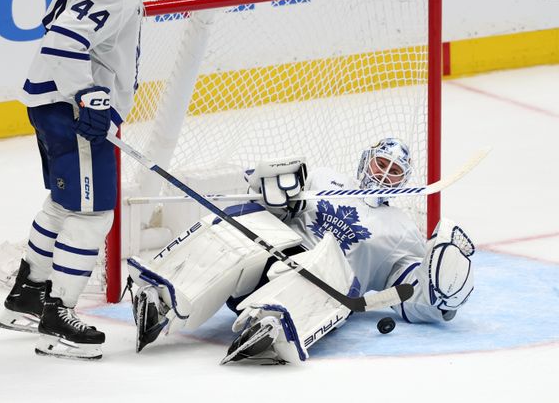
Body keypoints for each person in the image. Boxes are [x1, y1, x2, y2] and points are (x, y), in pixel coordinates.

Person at [0, 0, 174, 361]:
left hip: (48, 103)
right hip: (71, 111)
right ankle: (59, 319)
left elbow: (53, 23)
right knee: (95, 215)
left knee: (62, 202)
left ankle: (26, 297)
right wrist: (88, 96)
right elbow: (63, 40)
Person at [126, 138, 476, 364]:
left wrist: (442, 294)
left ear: (405, 181)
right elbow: (270, 200)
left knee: (327, 257)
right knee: (247, 223)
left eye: (395, 171)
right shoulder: (324, 178)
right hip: (272, 259)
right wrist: (272, 191)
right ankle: (168, 297)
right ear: (365, 160)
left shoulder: (401, 230)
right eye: (380, 164)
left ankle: (275, 324)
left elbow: (408, 292)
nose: (385, 174)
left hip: (329, 286)